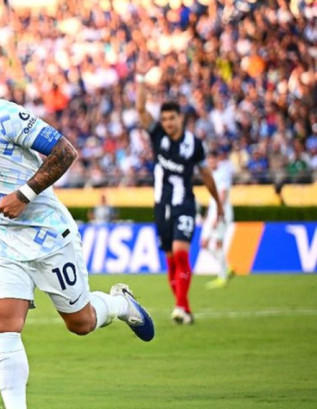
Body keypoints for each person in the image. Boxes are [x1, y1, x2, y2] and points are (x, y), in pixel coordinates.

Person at [0, 43, 154, 409]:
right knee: (2, 323)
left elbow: (65, 151)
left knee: (81, 323)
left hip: (48, 235)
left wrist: (23, 195)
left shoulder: (5, 117)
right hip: (1, 243)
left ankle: (119, 304)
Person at [135, 61, 223, 325]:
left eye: (172, 118)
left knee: (181, 253)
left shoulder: (194, 144)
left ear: (181, 119)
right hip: (161, 206)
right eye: (164, 119)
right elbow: (140, 109)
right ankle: (184, 309)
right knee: (171, 260)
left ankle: (180, 306)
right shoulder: (157, 136)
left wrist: (217, 203)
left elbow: (206, 174)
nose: (167, 123)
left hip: (184, 204)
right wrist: (141, 79)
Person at [200, 150, 235, 289]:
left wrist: (218, 214)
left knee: (218, 243)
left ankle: (223, 277)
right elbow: (212, 197)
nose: (210, 162)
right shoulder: (211, 174)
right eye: (208, 160)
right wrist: (208, 214)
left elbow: (223, 195)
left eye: (212, 159)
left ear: (217, 160)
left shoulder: (222, 174)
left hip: (222, 213)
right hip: (212, 213)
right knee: (204, 243)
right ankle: (226, 267)